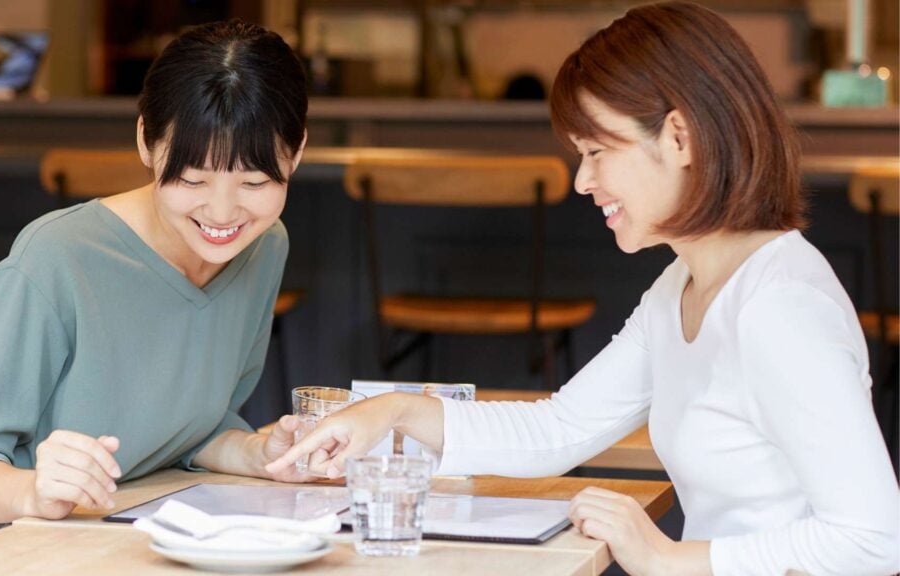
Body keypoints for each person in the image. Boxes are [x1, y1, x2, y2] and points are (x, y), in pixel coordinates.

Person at [268, 3, 900, 574]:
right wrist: (391, 412)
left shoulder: (779, 307)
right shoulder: (684, 285)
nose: (581, 181)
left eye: (598, 150)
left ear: (680, 138)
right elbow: (560, 428)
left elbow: (874, 540)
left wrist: (670, 560)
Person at [0, 20, 313, 569]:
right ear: (147, 144)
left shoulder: (265, 244)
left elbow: (189, 427)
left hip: (113, 529)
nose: (222, 215)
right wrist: (36, 491)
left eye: (253, 183)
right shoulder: (55, 258)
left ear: (294, 153)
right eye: (193, 181)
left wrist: (255, 453)